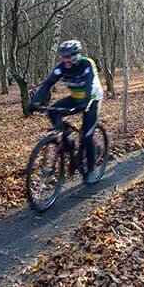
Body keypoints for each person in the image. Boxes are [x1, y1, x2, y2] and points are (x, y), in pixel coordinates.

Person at [28, 40, 103, 184]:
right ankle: (68, 141)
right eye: (63, 57)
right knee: (52, 112)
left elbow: (89, 84)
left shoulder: (86, 64)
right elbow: (48, 83)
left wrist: (85, 103)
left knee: (87, 136)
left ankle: (91, 170)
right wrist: (35, 102)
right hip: (75, 97)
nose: (66, 60)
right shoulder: (62, 67)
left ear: (76, 55)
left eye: (69, 56)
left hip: (92, 99)